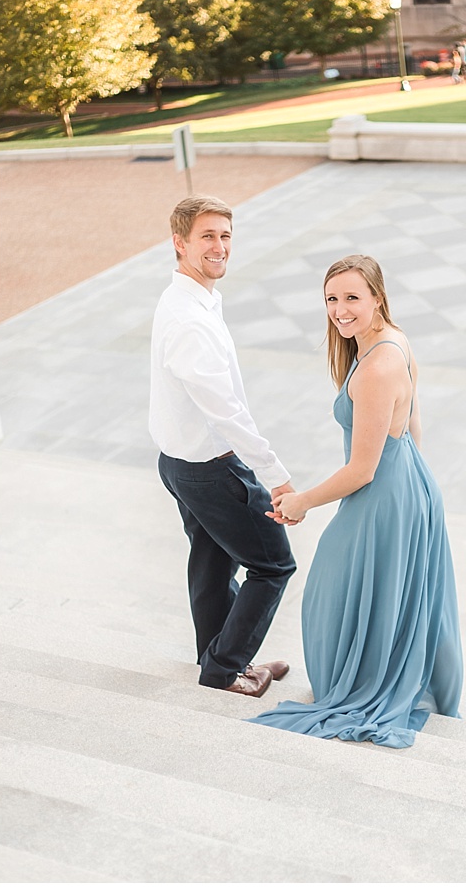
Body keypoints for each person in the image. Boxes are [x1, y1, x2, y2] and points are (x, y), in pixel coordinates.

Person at [249, 255, 463, 749]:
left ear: (377, 298)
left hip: (383, 490)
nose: (340, 311)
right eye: (331, 299)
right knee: (379, 588)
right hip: (406, 482)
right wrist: (416, 485)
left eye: (352, 298)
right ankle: (373, 669)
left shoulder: (377, 367)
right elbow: (412, 425)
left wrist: (302, 501)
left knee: (330, 581)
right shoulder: (394, 341)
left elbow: (362, 469)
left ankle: (361, 683)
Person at [149, 195, 297, 698]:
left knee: (212, 563)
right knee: (274, 564)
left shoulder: (189, 299)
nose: (219, 246)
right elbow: (225, 411)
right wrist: (275, 475)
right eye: (207, 236)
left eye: (226, 236)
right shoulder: (190, 319)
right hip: (210, 467)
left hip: (178, 461)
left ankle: (218, 657)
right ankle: (226, 668)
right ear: (180, 243)